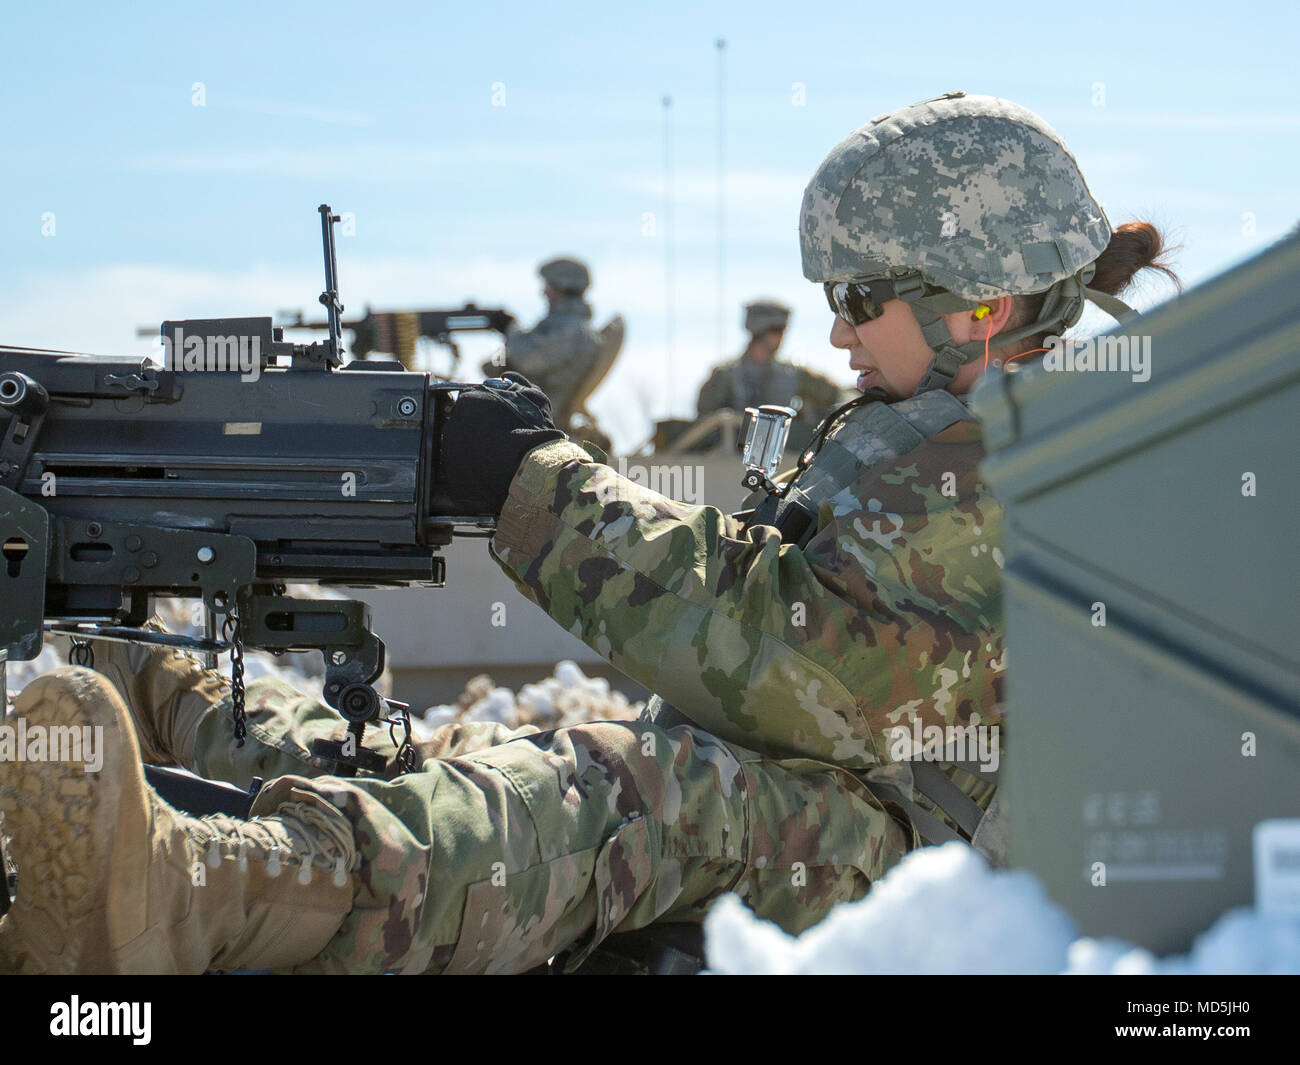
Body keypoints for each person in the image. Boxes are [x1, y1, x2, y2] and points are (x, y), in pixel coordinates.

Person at [0, 92, 1177, 974]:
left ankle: (184, 892)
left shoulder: (1023, 452)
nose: (836, 337)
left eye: (859, 299)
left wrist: (531, 484)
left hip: (933, 862)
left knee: (620, 792)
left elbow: (792, 661)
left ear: (982, 302)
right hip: (851, 792)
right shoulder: (956, 422)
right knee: (439, 770)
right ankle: (116, 710)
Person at [696, 300, 847, 444]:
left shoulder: (795, 374)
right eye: (776, 330)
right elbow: (704, 425)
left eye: (783, 330)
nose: (781, 336)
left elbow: (836, 396)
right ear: (760, 331)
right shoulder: (725, 375)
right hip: (732, 459)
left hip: (782, 456)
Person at [496, 256, 605, 430]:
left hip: (539, 418)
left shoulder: (572, 330)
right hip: (535, 414)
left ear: (563, 287)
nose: (543, 293)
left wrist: (509, 329)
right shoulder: (566, 327)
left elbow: (529, 361)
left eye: (549, 286)